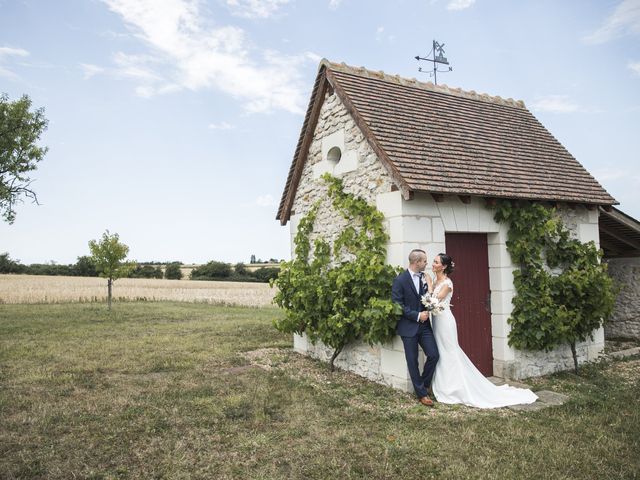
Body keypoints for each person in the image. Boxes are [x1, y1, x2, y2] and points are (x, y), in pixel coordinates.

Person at [429, 253, 538, 408]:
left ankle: (453, 388)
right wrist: (431, 284)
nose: (433, 264)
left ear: (444, 266)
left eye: (436, 262)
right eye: (433, 261)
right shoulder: (436, 280)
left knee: (449, 351)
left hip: (445, 321)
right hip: (437, 321)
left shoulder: (447, 283)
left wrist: (428, 285)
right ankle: (441, 384)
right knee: (441, 351)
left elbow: (435, 300)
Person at [391, 249, 439, 406]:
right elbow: (397, 305)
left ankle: (424, 385)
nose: (427, 263)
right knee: (412, 361)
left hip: (424, 327)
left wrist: (430, 288)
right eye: (424, 261)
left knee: (433, 355)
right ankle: (422, 394)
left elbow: (429, 299)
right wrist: (417, 315)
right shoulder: (400, 280)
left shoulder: (425, 278)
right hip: (408, 327)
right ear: (416, 262)